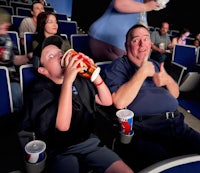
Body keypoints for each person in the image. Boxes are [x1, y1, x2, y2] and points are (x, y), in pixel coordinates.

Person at [21, 35, 134, 173]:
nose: (59, 57)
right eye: (51, 56)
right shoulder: (39, 90)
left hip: (87, 141)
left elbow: (106, 101)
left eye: (60, 53)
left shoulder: (78, 80)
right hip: (59, 149)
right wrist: (68, 81)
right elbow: (63, 126)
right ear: (42, 70)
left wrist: (93, 73)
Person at [102, 23, 200, 172]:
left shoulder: (154, 64)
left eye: (146, 39)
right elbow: (119, 102)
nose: (142, 44)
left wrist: (167, 80)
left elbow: (175, 94)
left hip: (177, 124)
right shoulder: (118, 66)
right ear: (127, 45)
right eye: (136, 40)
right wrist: (141, 73)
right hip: (147, 130)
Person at [88, 0, 162, 61]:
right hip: (105, 40)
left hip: (115, 46)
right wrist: (146, 6)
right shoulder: (144, 6)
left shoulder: (141, 6)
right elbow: (119, 3)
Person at [0, 8, 29, 112]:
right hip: (3, 78)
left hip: (11, 77)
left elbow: (15, 59)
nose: (7, 25)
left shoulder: (7, 38)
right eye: (3, 23)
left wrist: (28, 56)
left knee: (19, 96)